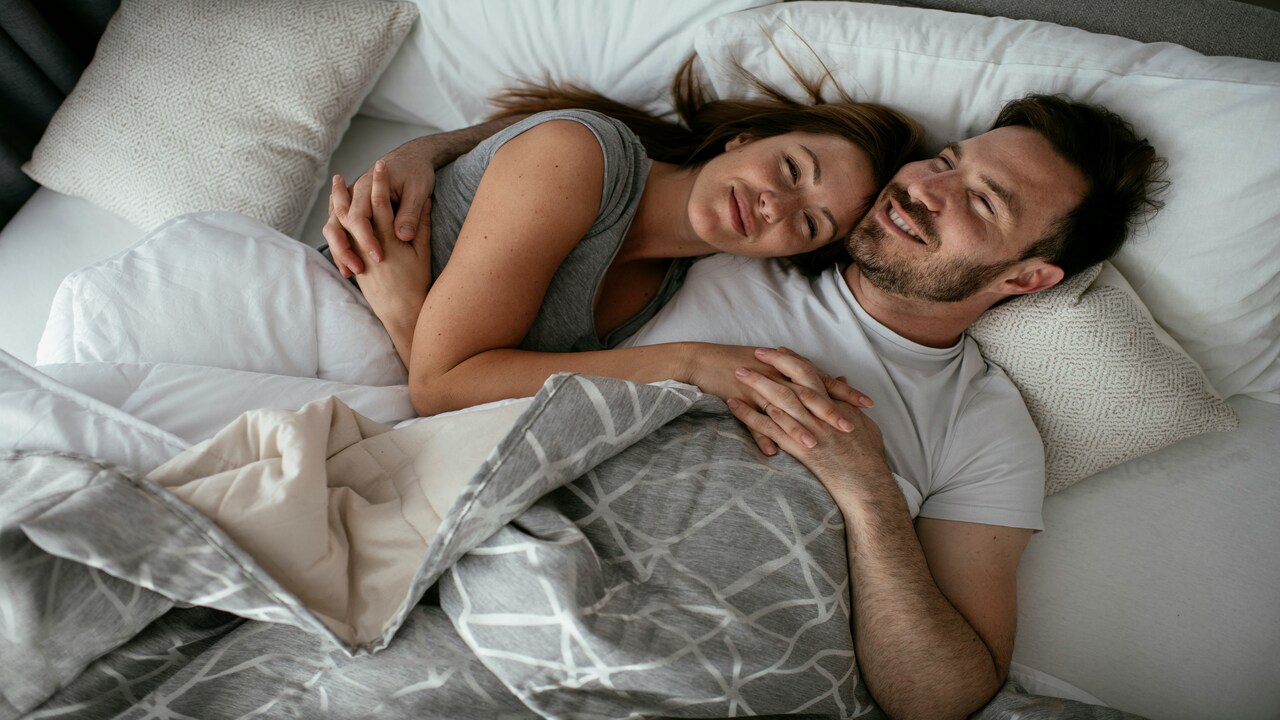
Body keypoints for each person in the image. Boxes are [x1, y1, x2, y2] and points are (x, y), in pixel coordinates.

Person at [327, 92, 1167, 719]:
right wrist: (425, 153)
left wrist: (868, 492)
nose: (927, 190)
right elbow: (583, 159)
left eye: (982, 201)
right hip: (524, 585)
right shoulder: (737, 238)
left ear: (1027, 278)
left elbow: (943, 698)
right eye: (946, 162)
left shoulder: (987, 427)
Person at [324, 62, 923, 452]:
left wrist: (406, 311)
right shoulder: (581, 153)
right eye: (791, 169)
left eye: (810, 224)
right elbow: (441, 390)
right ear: (744, 139)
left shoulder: (664, 289)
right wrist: (689, 363)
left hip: (359, 395)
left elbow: (461, 396)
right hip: (311, 312)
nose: (775, 206)